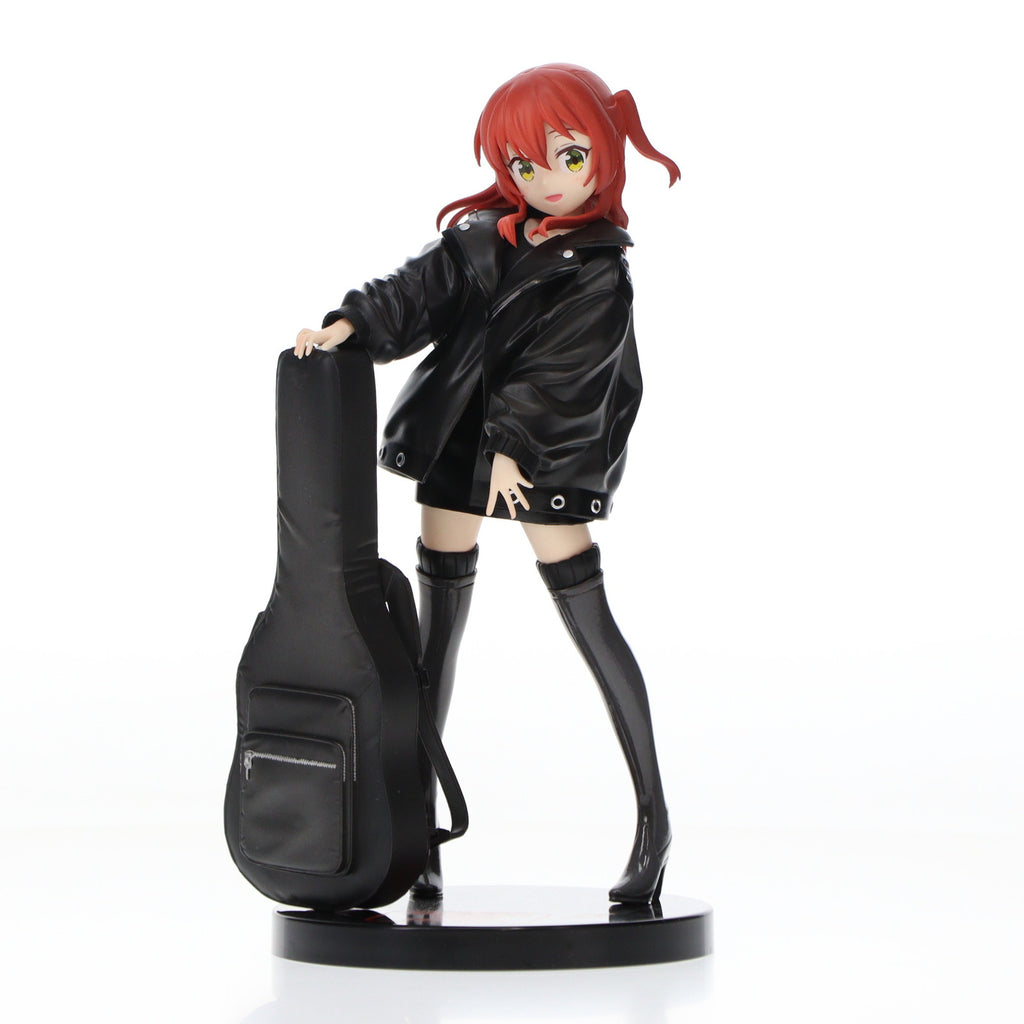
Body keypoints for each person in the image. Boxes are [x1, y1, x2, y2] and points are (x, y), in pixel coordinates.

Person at [293, 64, 679, 904]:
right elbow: (413, 292)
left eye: (568, 156)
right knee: (432, 650)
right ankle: (417, 833)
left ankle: (654, 821)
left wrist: (516, 446)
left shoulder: (599, 270)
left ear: (603, 151)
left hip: (542, 456)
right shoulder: (480, 239)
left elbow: (570, 372)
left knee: (591, 626)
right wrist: (350, 322)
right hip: (458, 445)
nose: (548, 180)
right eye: (524, 165)